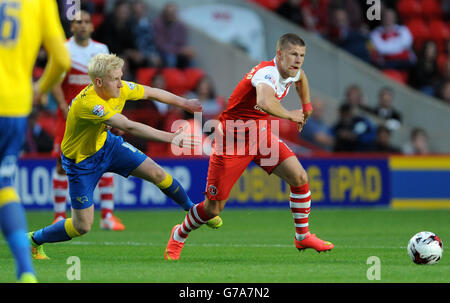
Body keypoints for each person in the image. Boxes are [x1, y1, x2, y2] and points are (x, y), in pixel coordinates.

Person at [27, 53, 222, 260]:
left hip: (108, 146)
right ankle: (32, 239)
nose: (121, 84)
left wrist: (184, 103)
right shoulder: (89, 104)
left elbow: (151, 92)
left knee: (157, 174)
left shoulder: (118, 88)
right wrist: (171, 137)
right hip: (81, 163)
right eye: (116, 79)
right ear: (99, 82)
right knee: (81, 226)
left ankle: (194, 211)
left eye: (121, 77)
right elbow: (129, 126)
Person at [164, 33, 334, 261]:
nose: (298, 60)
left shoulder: (292, 72)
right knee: (212, 209)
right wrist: (291, 114)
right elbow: (264, 101)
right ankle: (179, 233)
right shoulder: (266, 74)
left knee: (300, 177)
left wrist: (307, 105)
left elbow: (301, 78)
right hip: (231, 142)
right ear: (280, 54)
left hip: (260, 137)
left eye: (302, 55)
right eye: (293, 54)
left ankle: (302, 236)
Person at [0, 0, 70, 282]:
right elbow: (62, 60)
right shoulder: (39, 2)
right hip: (13, 105)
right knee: (4, 185)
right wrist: (39, 90)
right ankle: (25, 271)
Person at [51, 10, 125, 231]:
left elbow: (111, 82)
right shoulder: (63, 50)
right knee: (61, 164)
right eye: (77, 22)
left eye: (86, 22)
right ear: (71, 27)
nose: (82, 25)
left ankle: (108, 216)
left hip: (98, 114)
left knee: (105, 160)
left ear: (92, 27)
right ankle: (58, 216)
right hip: (69, 116)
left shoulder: (100, 50)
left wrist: (112, 112)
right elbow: (54, 81)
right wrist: (63, 105)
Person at [153, 2, 195, 68]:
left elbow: (183, 44)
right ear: (164, 13)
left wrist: (187, 51)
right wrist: (179, 50)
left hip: (177, 52)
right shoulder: (158, 24)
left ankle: (188, 78)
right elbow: (161, 45)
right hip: (162, 52)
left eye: (172, 13)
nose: (170, 15)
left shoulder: (181, 26)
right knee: (171, 58)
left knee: (192, 60)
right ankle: (171, 77)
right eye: (168, 13)